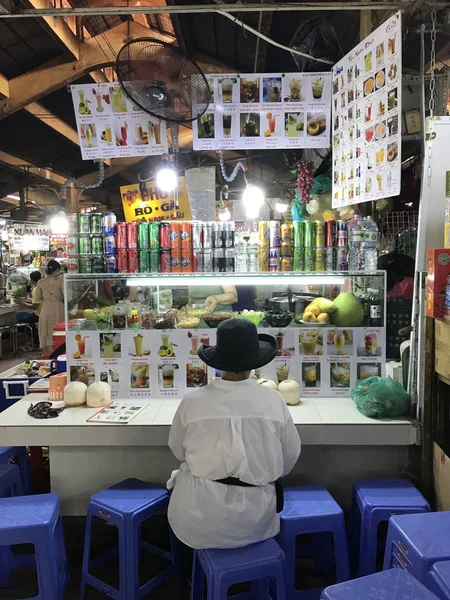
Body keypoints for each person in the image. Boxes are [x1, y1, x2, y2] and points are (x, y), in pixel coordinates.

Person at [167, 319, 301, 551]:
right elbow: (289, 459)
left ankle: (194, 578)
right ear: (255, 362)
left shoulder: (192, 402)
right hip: (256, 522)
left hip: (197, 522)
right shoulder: (273, 401)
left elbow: (177, 450)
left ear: (218, 360)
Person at [34, 260, 64, 354]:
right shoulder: (60, 280)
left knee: (45, 332)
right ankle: (58, 355)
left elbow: (38, 297)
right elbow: (66, 295)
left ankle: (47, 356)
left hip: (46, 310)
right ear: (57, 270)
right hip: (58, 309)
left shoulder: (40, 282)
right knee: (58, 332)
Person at [15, 270, 42, 347]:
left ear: (32, 280)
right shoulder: (41, 287)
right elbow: (36, 301)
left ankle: (36, 339)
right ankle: (36, 339)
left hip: (38, 314)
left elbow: (34, 306)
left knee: (20, 323)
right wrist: (24, 300)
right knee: (30, 322)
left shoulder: (36, 289)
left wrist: (22, 303)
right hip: (43, 312)